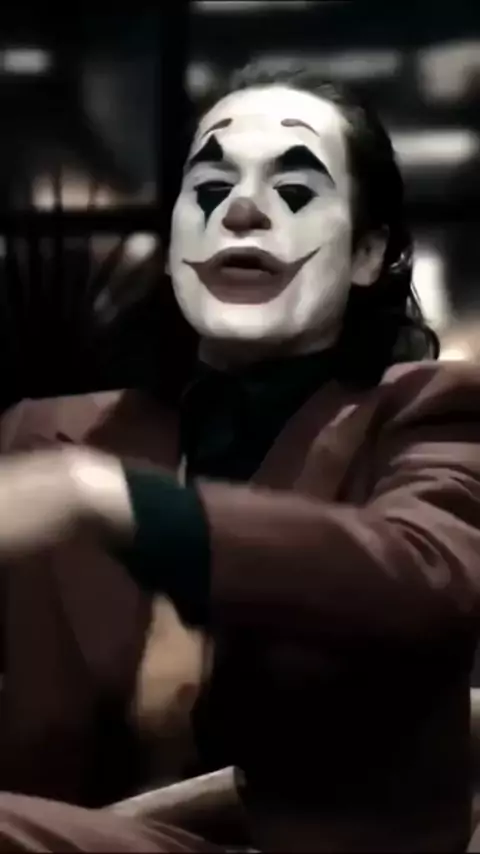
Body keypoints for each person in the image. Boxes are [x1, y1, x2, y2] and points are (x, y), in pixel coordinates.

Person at [0, 58, 479, 852]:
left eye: (294, 190)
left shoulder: (430, 414)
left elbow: (422, 577)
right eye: (211, 188)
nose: (243, 210)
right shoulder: (41, 434)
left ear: (369, 254)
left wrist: (103, 499)